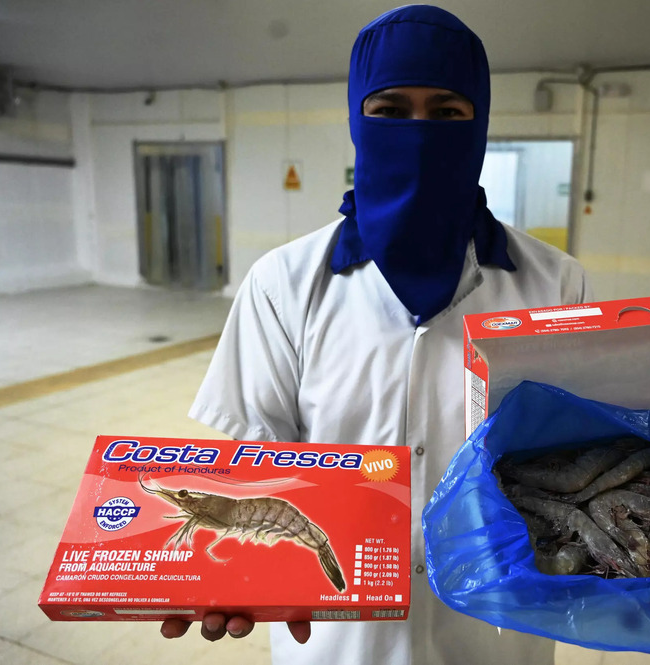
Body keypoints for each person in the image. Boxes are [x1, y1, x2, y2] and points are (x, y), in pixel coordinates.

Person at [162, 5, 592, 664]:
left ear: (479, 122)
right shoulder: (283, 284)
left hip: (494, 636)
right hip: (335, 637)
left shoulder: (556, 284)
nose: (418, 133)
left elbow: (577, 464)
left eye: (446, 111)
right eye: (390, 110)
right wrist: (224, 572)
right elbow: (258, 471)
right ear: (357, 121)